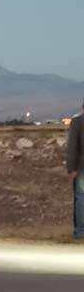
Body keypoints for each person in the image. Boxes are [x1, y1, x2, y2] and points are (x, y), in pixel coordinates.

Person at [68, 99, 84, 240]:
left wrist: (71, 168)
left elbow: (73, 147)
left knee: (80, 199)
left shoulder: (77, 122)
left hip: (81, 167)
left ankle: (80, 231)